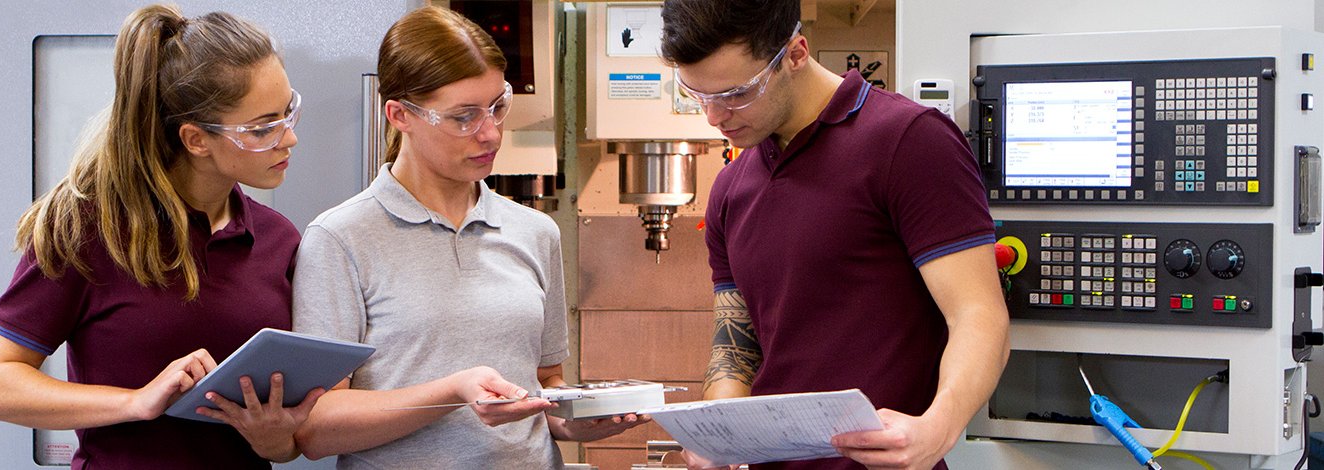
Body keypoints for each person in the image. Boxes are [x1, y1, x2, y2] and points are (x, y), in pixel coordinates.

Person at [0, 5, 317, 468]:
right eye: (262, 128)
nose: (288, 139)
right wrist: (135, 402)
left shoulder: (278, 240)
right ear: (195, 140)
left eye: (288, 112)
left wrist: (275, 439)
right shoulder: (86, 228)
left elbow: (286, 447)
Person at [659, 0, 1011, 469]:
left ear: (797, 53)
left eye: (737, 93)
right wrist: (717, 434)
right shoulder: (731, 187)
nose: (715, 116)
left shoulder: (908, 142)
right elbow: (735, 342)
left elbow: (979, 315)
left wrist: (937, 428)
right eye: (698, 94)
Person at [291, 6, 646, 468]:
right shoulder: (341, 240)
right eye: (464, 117)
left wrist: (575, 419)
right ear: (400, 115)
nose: (492, 133)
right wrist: (453, 391)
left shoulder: (536, 232)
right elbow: (315, 428)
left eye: (498, 106)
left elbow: (544, 383)